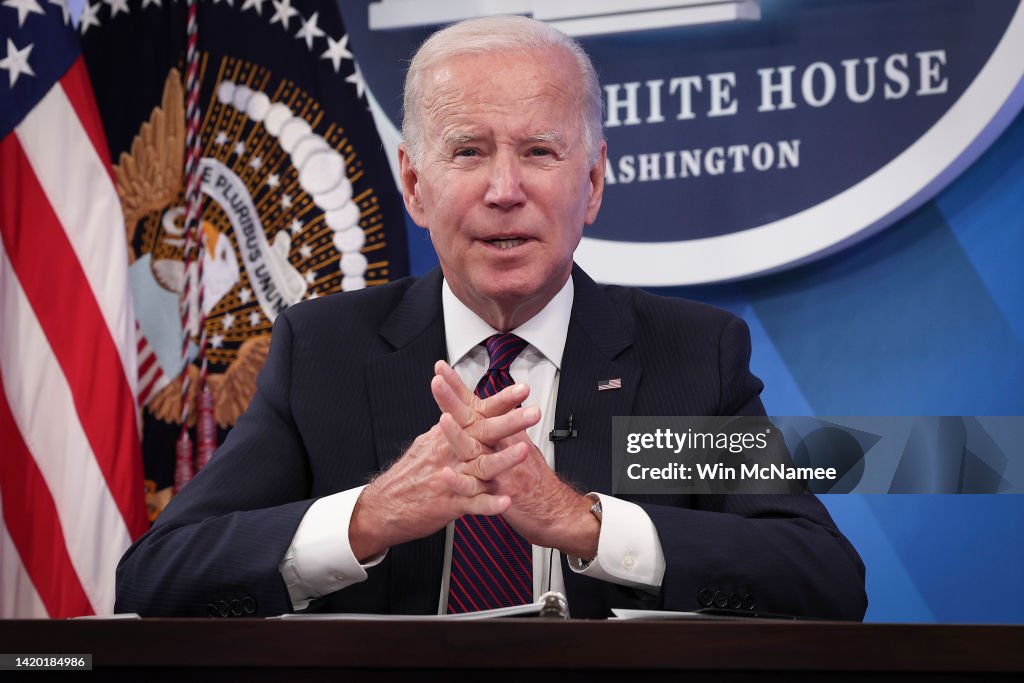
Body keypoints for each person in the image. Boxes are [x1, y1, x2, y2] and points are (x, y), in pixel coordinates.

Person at [115, 16, 866, 620]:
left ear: (594, 181)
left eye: (539, 151)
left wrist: (586, 524)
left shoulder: (686, 356)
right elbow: (156, 577)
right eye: (468, 151)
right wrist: (368, 517)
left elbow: (823, 577)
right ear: (413, 182)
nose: (504, 189)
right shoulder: (326, 353)